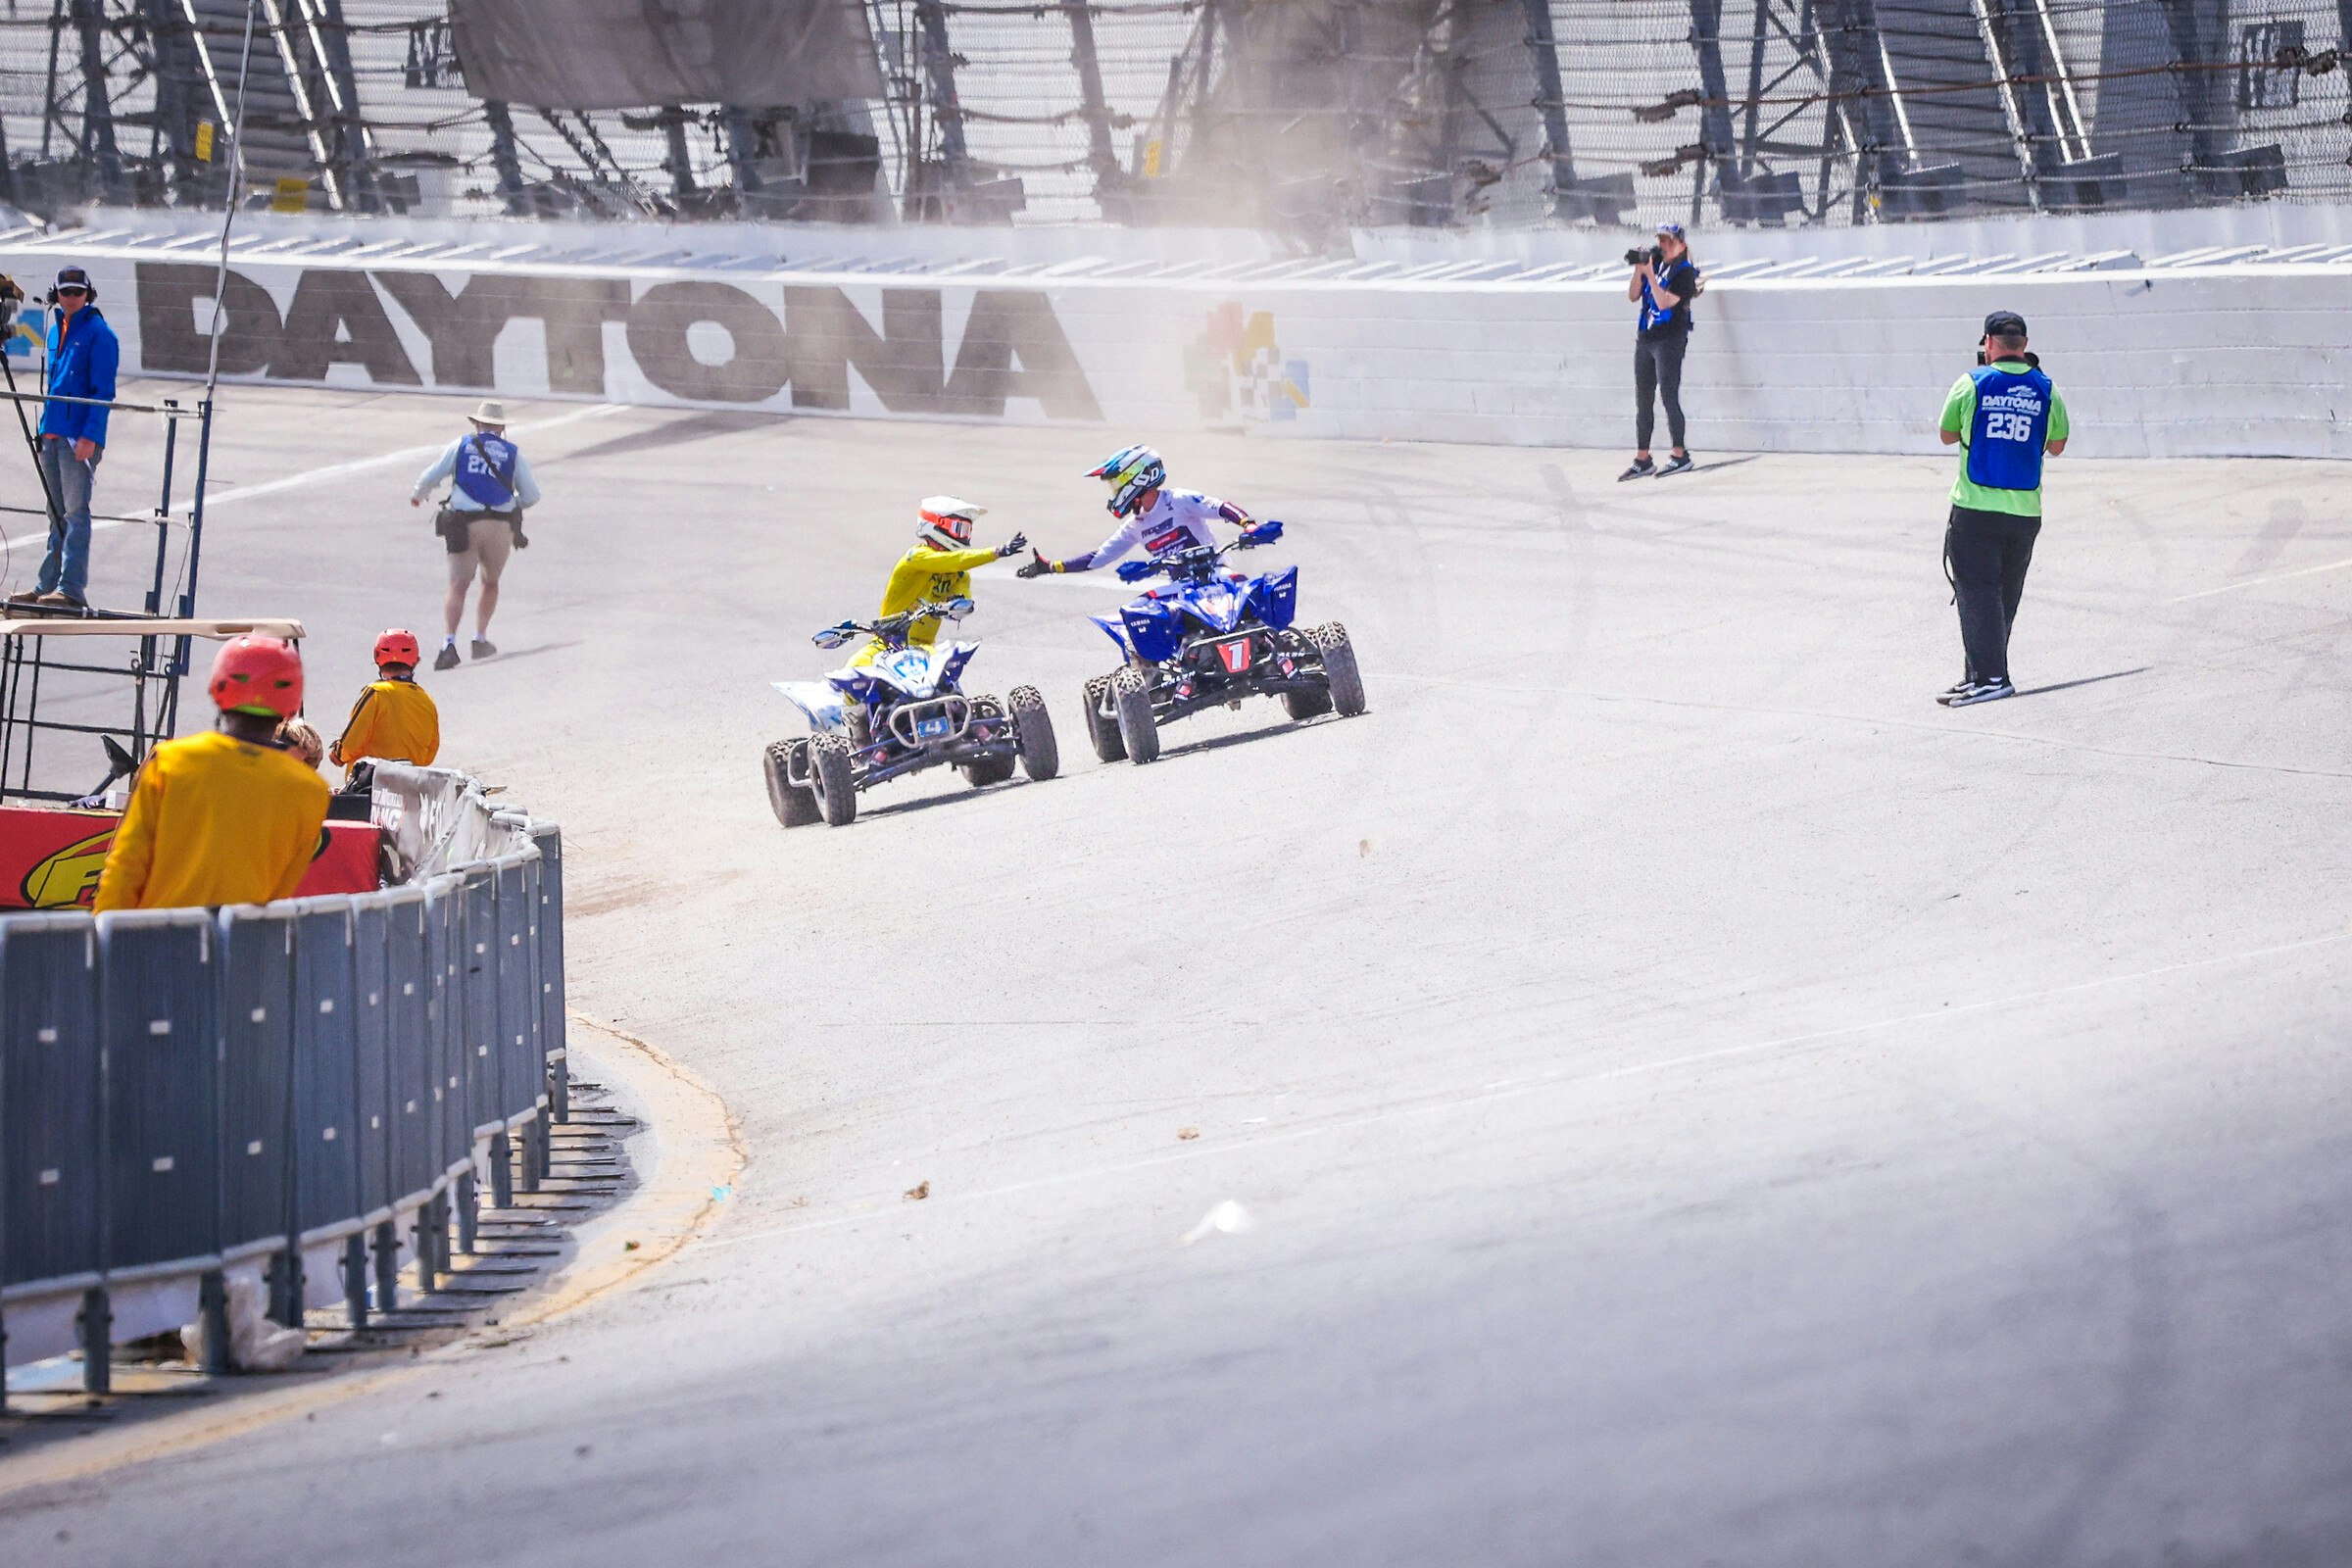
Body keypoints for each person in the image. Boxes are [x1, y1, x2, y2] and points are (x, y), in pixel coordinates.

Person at [92, 635, 330, 911]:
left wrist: (106, 938)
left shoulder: (171, 761)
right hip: (243, 945)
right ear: (292, 700)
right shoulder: (310, 791)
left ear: (218, 686)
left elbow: (126, 865)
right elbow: (282, 886)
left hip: (156, 938)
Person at [1935, 310, 2069, 708]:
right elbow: (2057, 445)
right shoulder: (2047, 387)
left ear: (1989, 344)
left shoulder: (1971, 383)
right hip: (2025, 512)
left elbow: (1945, 434)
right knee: (2004, 595)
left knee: (1977, 592)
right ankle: (1979, 673)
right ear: (2024, 346)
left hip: (1975, 507)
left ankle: (1993, 676)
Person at [8, 266, 121, 610]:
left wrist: (90, 436)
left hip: (77, 439)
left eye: (77, 292)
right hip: (53, 433)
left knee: (75, 512)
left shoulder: (100, 334)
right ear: (55, 293)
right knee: (55, 512)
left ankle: (71, 587)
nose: (71, 298)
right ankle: (47, 585)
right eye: (65, 292)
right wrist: (44, 432)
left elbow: (103, 392)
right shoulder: (56, 331)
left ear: (89, 294)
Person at [410, 400, 540, 670]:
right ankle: (479, 639)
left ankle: (449, 644)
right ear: (502, 428)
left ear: (477, 424)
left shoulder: (461, 445)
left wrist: (419, 495)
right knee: (490, 583)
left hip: (463, 524)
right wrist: (511, 503)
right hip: (499, 527)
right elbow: (531, 495)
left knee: (457, 585)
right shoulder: (513, 453)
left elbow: (432, 475)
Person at [1015, 445, 1253, 579]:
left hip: (1215, 573)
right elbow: (1098, 558)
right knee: (1140, 617)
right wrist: (1052, 566)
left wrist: (1247, 524)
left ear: (1137, 478)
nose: (1114, 493)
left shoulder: (1178, 500)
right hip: (1182, 588)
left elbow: (1219, 507)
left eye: (1116, 485)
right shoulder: (1135, 526)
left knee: (1240, 585)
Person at [855, 498, 1027, 665]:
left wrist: (959, 605)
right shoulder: (916, 557)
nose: (964, 536)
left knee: (948, 673)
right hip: (887, 645)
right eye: (959, 529)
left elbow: (964, 601)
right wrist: (996, 552)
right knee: (856, 666)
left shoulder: (960, 575)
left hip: (923, 650)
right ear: (935, 525)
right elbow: (955, 560)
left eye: (968, 530)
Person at [1619, 223, 1701, 481]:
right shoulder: (1655, 262)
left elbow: (1665, 302)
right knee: (1643, 400)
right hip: (1646, 337)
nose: (1663, 245)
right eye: (1660, 240)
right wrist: (1640, 271)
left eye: (1668, 240)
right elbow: (1633, 296)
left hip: (1669, 339)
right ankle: (1642, 458)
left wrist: (1652, 277)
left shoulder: (1684, 273)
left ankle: (1680, 454)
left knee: (1668, 395)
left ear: (1681, 244)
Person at [327, 627, 441, 787]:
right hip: (408, 787)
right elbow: (430, 752)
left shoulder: (376, 693)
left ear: (377, 657)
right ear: (415, 660)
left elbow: (352, 741)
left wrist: (338, 755)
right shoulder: (426, 699)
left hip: (369, 787)